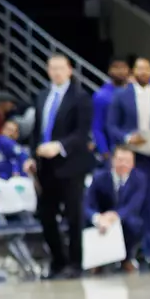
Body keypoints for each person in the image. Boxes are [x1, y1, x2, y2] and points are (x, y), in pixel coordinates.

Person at [30, 55, 96, 280]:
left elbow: (81, 133)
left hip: (71, 164)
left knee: (73, 215)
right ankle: (58, 260)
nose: (56, 72)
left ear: (69, 70)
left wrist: (59, 146)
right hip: (45, 166)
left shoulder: (80, 97)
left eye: (60, 68)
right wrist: (32, 155)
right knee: (46, 215)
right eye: (52, 68)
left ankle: (76, 263)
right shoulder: (42, 96)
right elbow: (37, 130)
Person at [105, 57, 150, 268]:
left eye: (146, 69)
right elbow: (111, 126)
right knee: (129, 205)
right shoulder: (121, 96)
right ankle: (126, 254)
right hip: (129, 156)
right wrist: (127, 137)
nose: (143, 72)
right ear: (133, 72)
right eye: (139, 69)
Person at [85, 145, 148, 271]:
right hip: (102, 218)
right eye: (120, 160)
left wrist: (115, 216)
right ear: (112, 160)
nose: (123, 164)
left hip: (123, 218)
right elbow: (87, 204)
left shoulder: (139, 179)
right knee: (85, 219)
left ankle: (127, 258)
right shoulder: (99, 177)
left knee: (134, 224)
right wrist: (97, 217)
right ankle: (97, 261)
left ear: (133, 163)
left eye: (127, 161)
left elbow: (134, 205)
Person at [91, 58, 129, 157]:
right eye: (116, 68)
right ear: (110, 71)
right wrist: (104, 151)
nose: (120, 71)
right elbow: (97, 127)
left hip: (132, 147)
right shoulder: (101, 96)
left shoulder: (133, 92)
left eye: (123, 68)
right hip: (111, 148)